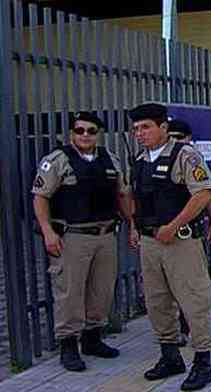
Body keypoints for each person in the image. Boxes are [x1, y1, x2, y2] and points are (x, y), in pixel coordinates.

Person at [32, 112, 134, 372]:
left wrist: (132, 225)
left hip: (105, 234)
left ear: (98, 133)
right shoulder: (57, 160)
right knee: (70, 291)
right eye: (79, 130)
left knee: (101, 289)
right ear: (71, 133)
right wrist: (48, 232)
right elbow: (40, 197)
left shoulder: (110, 159)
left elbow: (122, 195)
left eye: (90, 131)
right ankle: (68, 345)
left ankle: (92, 338)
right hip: (73, 236)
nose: (85, 135)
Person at [128, 103, 211, 391]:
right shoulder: (140, 160)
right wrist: (134, 227)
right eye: (137, 128)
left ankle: (202, 362)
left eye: (146, 127)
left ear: (163, 127)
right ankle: (170, 356)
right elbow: (135, 199)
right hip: (150, 242)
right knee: (157, 302)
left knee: (193, 300)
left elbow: (203, 193)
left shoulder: (184, 155)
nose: (140, 133)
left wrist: (173, 226)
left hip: (181, 242)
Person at [167, 119, 211, 347]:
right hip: (161, 235)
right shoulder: (157, 160)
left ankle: (190, 327)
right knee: (166, 287)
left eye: (180, 137)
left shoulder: (192, 160)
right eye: (172, 137)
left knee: (191, 286)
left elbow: (206, 196)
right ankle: (173, 331)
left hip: (188, 234)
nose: (175, 141)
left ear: (188, 138)